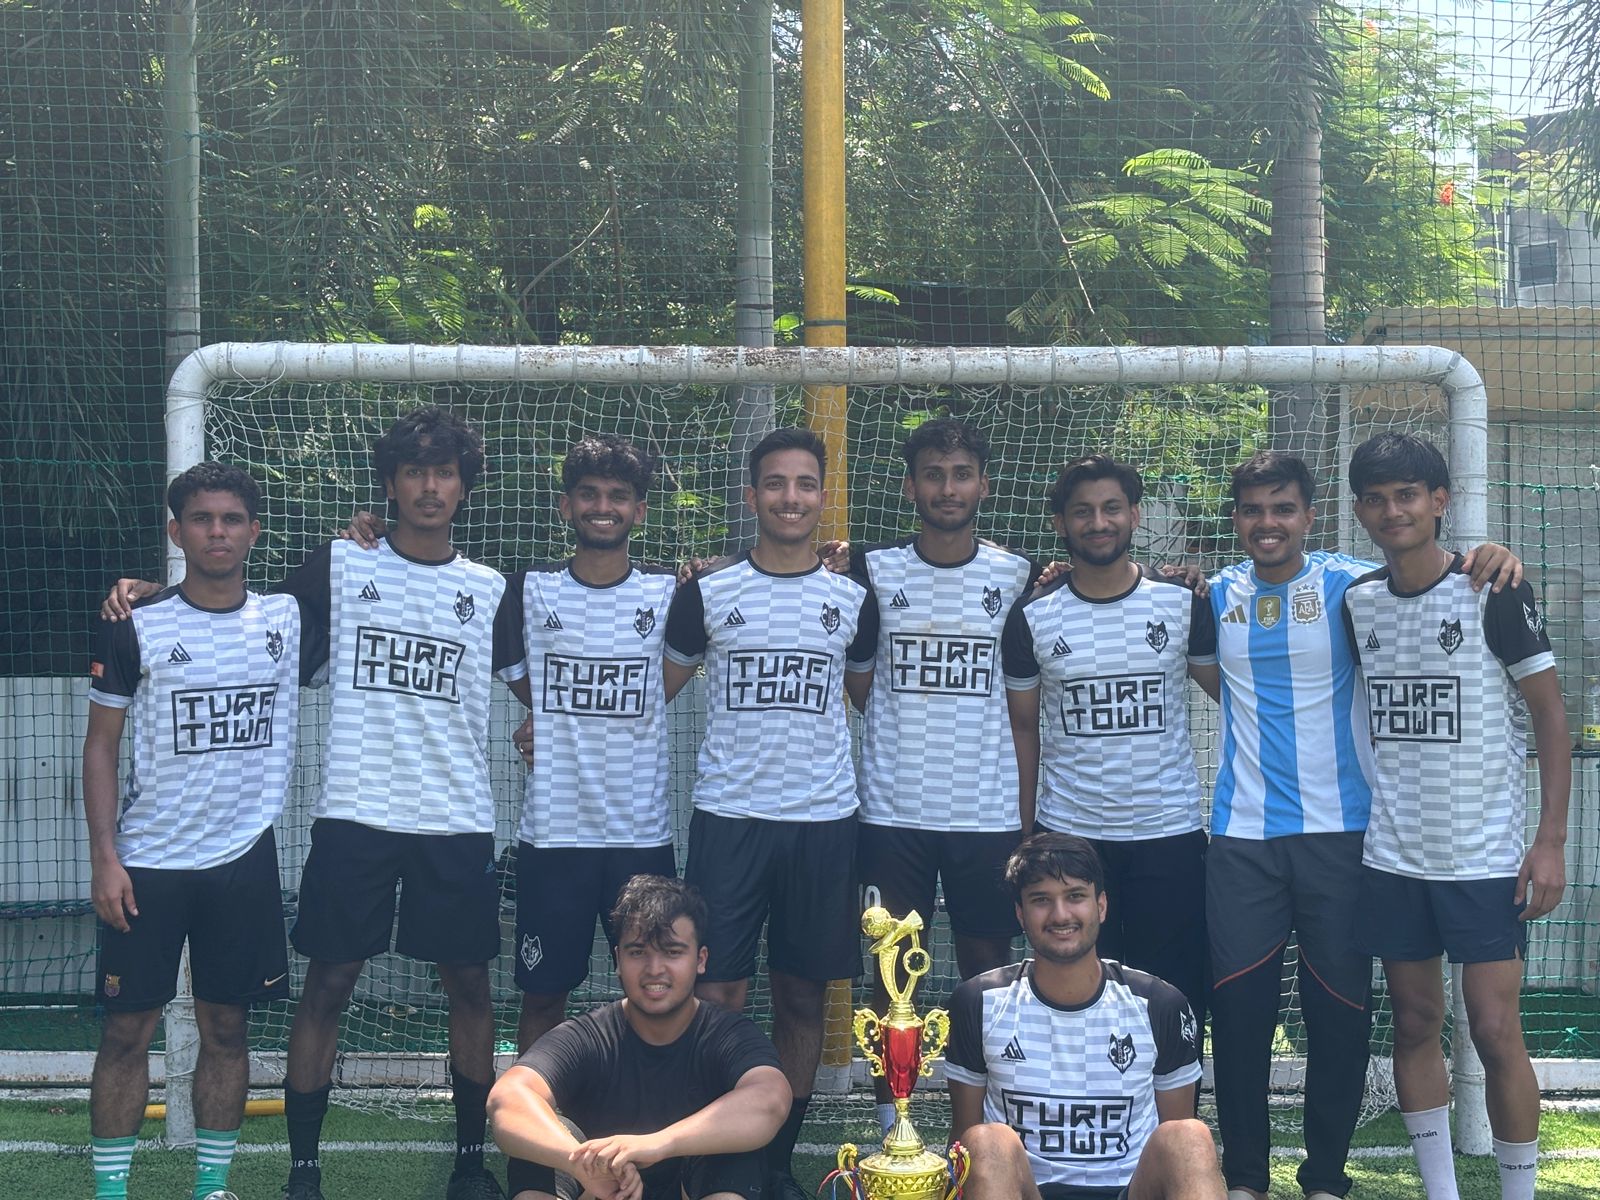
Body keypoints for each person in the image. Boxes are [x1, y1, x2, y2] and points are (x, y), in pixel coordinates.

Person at [103, 407, 524, 1200]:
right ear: (390, 482)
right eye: (413, 471)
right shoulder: (339, 565)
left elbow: (537, 682)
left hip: (457, 819)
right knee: (328, 987)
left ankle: (471, 1164)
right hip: (354, 813)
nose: (429, 487)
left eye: (444, 472)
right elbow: (232, 606)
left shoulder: (491, 589)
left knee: (470, 987)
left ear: (465, 486)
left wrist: (541, 721)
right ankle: (305, 1171)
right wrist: (153, 595)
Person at [1204, 450, 1522, 1200]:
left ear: (1311, 517)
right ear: (1236, 520)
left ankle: (1325, 1178)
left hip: (1345, 834)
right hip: (1241, 838)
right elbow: (1192, 653)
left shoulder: (1352, 586)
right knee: (1240, 1016)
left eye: (1283, 508)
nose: (1268, 522)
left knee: (1339, 1017)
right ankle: (1245, 1177)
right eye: (1252, 510)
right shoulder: (1212, 594)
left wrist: (1492, 554)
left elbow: (1427, 574)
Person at [1341, 433, 1569, 1200]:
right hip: (1395, 857)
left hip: (1483, 858)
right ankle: (1440, 1192)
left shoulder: (1493, 589)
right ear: (1359, 511)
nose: (1392, 510)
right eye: (1376, 498)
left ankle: (1517, 1193)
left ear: (1440, 501)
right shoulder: (1357, 602)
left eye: (1408, 494)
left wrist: (1550, 841)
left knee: (1495, 1030)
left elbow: (1550, 717)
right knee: (1413, 1023)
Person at [84, 463, 320, 1200]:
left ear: (254, 531)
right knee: (127, 1032)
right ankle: (111, 1193)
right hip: (147, 863)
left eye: (231, 519)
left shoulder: (286, 618)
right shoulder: (135, 623)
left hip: (242, 860)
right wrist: (104, 858)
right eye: (201, 518)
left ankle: (211, 1187)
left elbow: (373, 564)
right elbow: (100, 746)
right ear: (175, 529)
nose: (217, 531)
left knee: (226, 1031)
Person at [662, 426, 870, 1200]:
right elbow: (654, 689)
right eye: (775, 483)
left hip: (823, 823)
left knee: (801, 997)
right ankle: (712, 1156)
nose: (791, 497)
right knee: (716, 994)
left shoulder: (852, 599)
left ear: (823, 496)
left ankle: (775, 1161)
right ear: (752, 496)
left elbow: (871, 695)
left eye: (805, 483)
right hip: (731, 818)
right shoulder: (708, 593)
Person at [843, 417, 1038, 1134]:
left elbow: (1024, 710)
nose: (947, 488)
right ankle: (893, 1126)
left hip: (986, 815)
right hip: (893, 812)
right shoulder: (873, 571)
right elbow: (858, 684)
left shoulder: (1016, 577)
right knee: (893, 976)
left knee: (988, 972)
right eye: (934, 474)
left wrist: (1026, 823)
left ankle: (981, 1131)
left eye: (961, 475)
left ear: (983, 484)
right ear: (910, 486)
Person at [1001, 455, 1218, 1036]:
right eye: (1083, 512)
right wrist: (1026, 832)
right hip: (1071, 836)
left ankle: (1175, 1102)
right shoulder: (1033, 615)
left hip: (1167, 833)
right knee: (1075, 1000)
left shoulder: (1182, 601)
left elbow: (1238, 694)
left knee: (1171, 1002)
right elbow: (1023, 729)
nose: (1098, 523)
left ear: (1134, 515)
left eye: (1111, 509)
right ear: (1060, 523)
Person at [946, 833, 1223, 1200]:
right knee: (985, 1141)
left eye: (1075, 896)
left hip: (1128, 1191)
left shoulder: (1159, 1004)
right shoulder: (980, 1002)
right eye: (1041, 900)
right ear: (1020, 914)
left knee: (1189, 1137)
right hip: (1026, 1191)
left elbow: (1173, 1153)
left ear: (1102, 906)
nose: (1061, 915)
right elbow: (962, 1149)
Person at [487, 875, 792, 1200]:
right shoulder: (587, 1036)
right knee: (540, 1146)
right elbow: (506, 1099)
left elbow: (771, 1099)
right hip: (603, 1190)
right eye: (638, 952)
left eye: (672, 952)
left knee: (735, 1150)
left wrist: (657, 1144)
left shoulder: (727, 1035)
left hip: (691, 1189)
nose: (655, 969)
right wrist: (581, 1163)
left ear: (700, 960)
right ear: (618, 960)